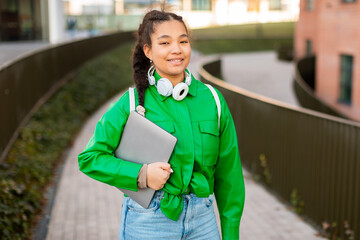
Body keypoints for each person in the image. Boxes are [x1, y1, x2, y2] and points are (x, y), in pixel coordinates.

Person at [78, 10, 245, 240]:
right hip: (148, 221)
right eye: (165, 42)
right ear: (148, 50)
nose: (176, 49)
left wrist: (231, 232)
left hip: (203, 221)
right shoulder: (132, 103)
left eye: (183, 41)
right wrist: (142, 174)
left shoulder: (213, 101)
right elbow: (89, 158)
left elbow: (230, 176)